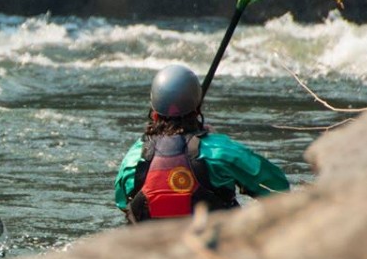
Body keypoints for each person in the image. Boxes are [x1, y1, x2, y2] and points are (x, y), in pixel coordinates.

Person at [114, 64, 290, 223]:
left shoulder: (133, 158)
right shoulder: (220, 151)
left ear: (154, 114)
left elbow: (122, 202)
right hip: (214, 246)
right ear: (197, 110)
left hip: (151, 250)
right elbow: (278, 187)